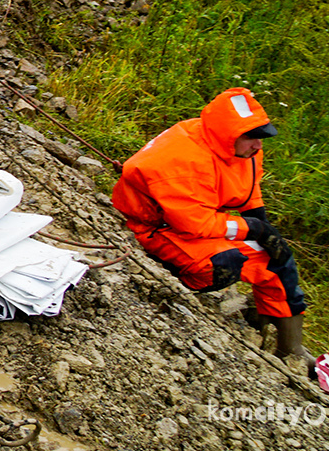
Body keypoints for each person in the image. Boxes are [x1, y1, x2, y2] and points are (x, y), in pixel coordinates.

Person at [112, 88, 311, 361]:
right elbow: (195, 224)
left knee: (276, 260)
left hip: (194, 219)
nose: (259, 146)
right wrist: (254, 229)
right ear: (227, 136)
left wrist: (266, 230)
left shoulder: (242, 150)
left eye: (262, 137)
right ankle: (173, 283)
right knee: (225, 263)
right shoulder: (181, 158)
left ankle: (291, 349)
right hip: (154, 228)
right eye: (253, 138)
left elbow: (248, 188)